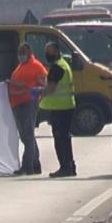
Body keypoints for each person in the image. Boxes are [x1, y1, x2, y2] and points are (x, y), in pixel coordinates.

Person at [6, 43, 46, 175]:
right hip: (17, 104)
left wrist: (16, 84)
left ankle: (27, 166)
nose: (20, 54)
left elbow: (42, 85)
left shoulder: (37, 66)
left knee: (28, 136)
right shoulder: (20, 67)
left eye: (23, 52)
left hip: (28, 103)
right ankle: (35, 164)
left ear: (29, 52)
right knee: (26, 136)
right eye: (19, 52)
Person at [39, 42, 77, 178]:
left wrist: (40, 93)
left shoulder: (57, 68)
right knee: (65, 138)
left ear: (56, 51)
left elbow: (51, 88)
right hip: (67, 106)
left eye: (49, 51)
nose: (47, 54)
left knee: (60, 138)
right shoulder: (64, 64)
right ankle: (70, 166)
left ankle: (65, 167)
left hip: (60, 108)